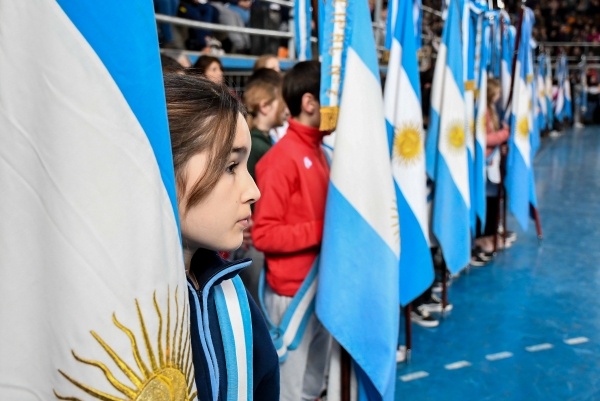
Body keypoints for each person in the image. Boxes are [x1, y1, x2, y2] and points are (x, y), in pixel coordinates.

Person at [163, 73, 279, 400]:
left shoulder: (232, 295)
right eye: (230, 167)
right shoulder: (113, 313)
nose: (253, 191)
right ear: (164, 166)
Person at [252, 61, 331, 401]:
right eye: (333, 99)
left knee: (313, 384)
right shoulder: (281, 158)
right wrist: (326, 231)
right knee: (288, 391)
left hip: (321, 287)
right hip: (291, 295)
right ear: (311, 103)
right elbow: (264, 235)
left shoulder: (321, 151)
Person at [235, 68, 286, 302]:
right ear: (265, 106)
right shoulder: (256, 147)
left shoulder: (265, 142)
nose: (286, 109)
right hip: (252, 240)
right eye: (281, 102)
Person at [475, 78, 512, 254]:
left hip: (492, 162)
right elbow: (483, 138)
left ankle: (490, 233)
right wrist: (505, 134)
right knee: (487, 199)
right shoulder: (483, 112)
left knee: (494, 199)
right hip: (484, 162)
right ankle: (483, 236)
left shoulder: (491, 111)